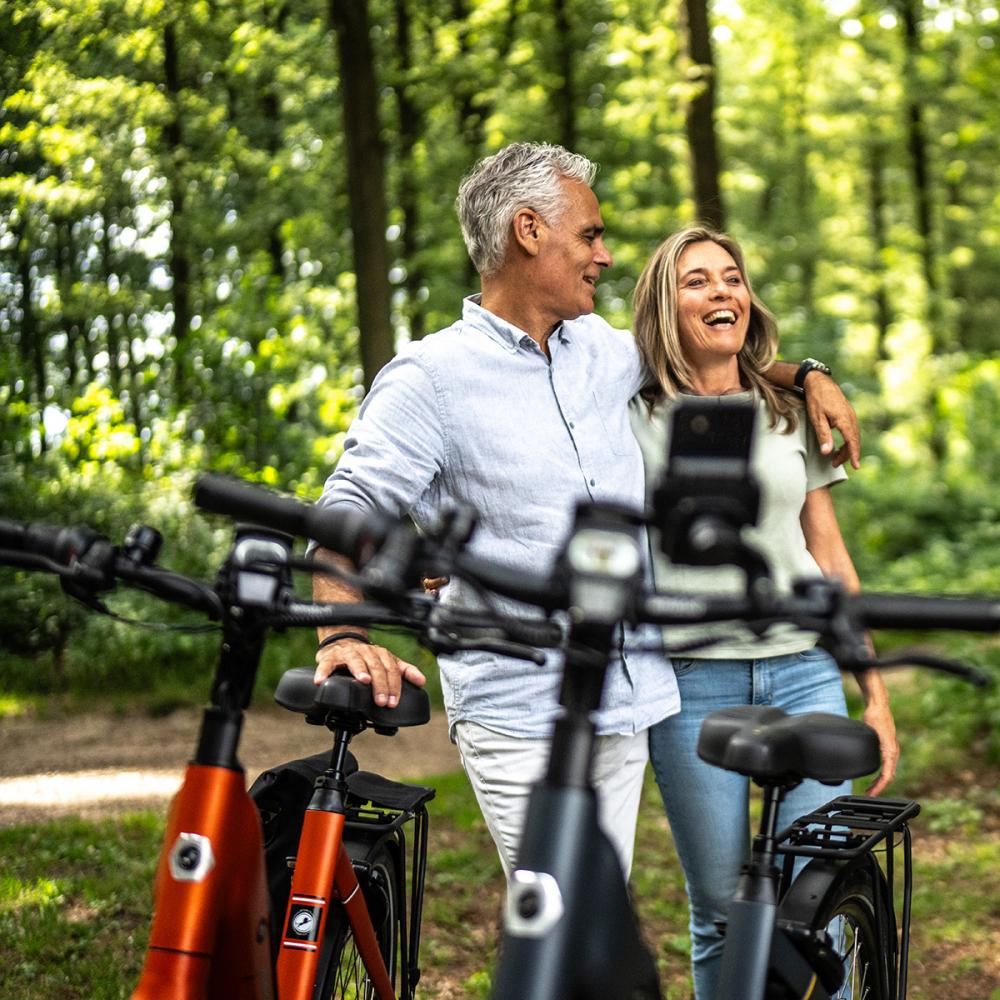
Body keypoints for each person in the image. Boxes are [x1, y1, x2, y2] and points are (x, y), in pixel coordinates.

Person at [309, 143, 861, 880]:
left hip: (628, 698)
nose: (604, 255)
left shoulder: (604, 351)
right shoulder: (430, 379)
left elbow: (707, 351)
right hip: (521, 708)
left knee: (596, 923)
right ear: (529, 232)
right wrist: (343, 631)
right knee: (560, 922)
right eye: (590, 235)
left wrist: (811, 377)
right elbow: (349, 507)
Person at [629, 225, 899, 1000]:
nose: (723, 292)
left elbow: (830, 557)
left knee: (817, 901)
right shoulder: (626, 413)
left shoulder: (785, 407)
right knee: (722, 910)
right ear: (662, 306)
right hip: (688, 685)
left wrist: (872, 694)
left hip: (805, 672)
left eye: (733, 278)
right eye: (697, 281)